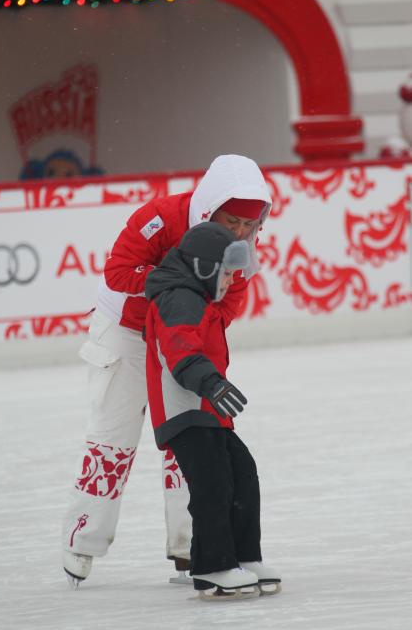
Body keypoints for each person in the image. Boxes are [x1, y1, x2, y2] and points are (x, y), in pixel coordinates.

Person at [62, 154, 272, 587]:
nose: (239, 233)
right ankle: (82, 541)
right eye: (231, 221)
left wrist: (188, 331)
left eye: (249, 226)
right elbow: (119, 272)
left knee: (190, 436)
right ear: (210, 206)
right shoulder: (159, 217)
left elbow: (226, 306)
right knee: (113, 437)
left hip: (180, 336)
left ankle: (189, 545)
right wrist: (171, 282)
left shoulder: (242, 249)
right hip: (123, 332)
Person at [144, 222, 281, 599]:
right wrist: (212, 383)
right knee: (213, 484)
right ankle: (212, 566)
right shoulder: (179, 297)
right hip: (185, 411)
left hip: (207, 409)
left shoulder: (198, 297)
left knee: (241, 473)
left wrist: (212, 390)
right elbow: (180, 352)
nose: (231, 279)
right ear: (204, 268)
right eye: (226, 271)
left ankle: (241, 556)